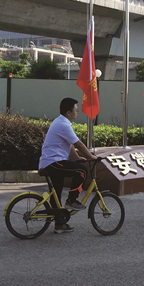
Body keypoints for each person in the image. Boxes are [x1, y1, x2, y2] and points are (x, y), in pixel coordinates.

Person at [39, 97, 97, 234]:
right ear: (68, 112)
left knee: (56, 192)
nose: (77, 112)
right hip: (54, 162)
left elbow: (69, 144)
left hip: (50, 162)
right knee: (82, 171)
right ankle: (72, 200)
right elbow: (78, 144)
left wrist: (76, 158)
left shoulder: (60, 122)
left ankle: (59, 224)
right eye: (76, 110)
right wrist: (91, 157)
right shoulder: (63, 124)